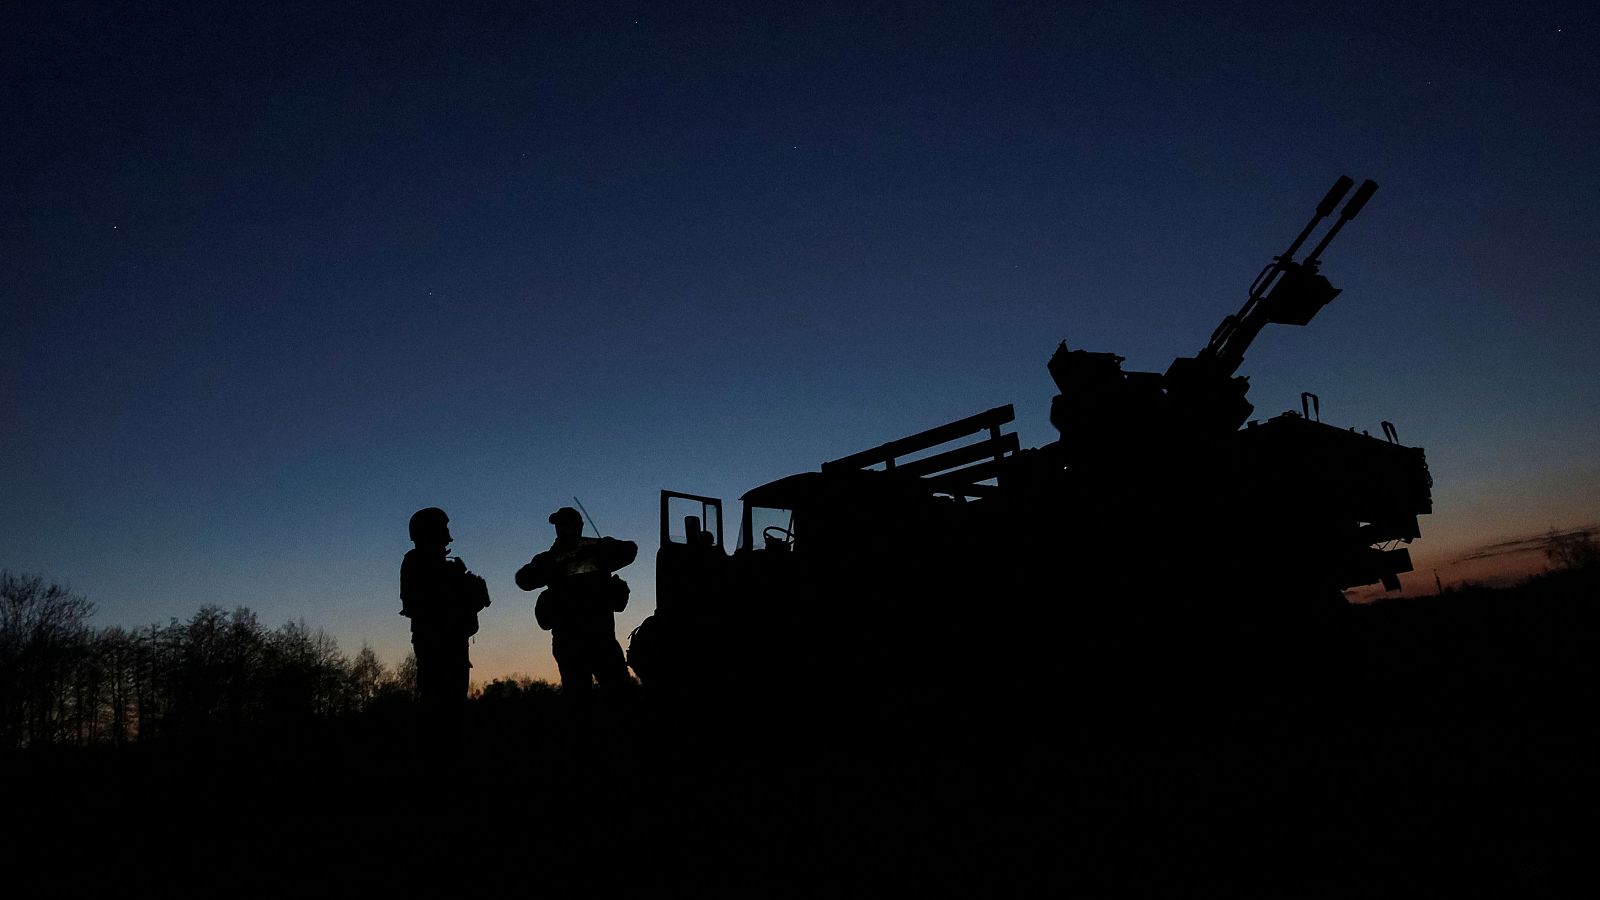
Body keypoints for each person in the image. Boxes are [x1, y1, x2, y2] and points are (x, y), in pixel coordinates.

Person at [516, 507, 637, 709]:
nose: (563, 528)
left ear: (579, 526)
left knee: (618, 695)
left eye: (567, 523)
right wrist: (548, 565)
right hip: (571, 641)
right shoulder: (549, 558)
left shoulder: (597, 549)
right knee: (580, 699)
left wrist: (606, 546)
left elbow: (630, 550)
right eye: (560, 525)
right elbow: (524, 580)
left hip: (600, 638)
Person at [400, 506, 491, 762]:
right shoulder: (417, 562)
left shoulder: (447, 567)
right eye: (443, 528)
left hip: (455, 648)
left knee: (453, 714)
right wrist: (462, 590)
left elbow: (472, 602)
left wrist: (471, 591)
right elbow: (424, 604)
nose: (448, 534)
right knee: (438, 712)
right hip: (435, 650)